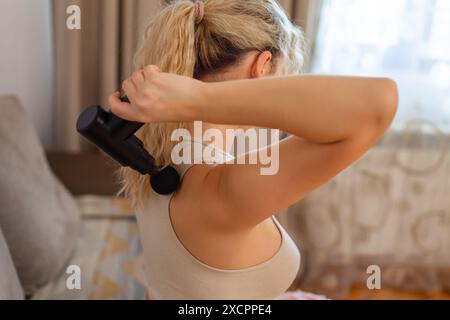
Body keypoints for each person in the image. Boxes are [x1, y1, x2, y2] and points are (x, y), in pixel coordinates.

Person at [109, 0, 398, 300]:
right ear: (261, 67)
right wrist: (202, 97)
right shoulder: (219, 187)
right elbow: (379, 104)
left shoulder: (155, 154)